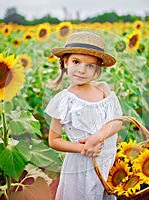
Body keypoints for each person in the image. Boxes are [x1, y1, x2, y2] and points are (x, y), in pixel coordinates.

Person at [45, 31, 123, 200]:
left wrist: (98, 136)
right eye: (76, 62)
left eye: (90, 65)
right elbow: (54, 140)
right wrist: (84, 148)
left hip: (108, 160)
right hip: (81, 164)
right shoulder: (63, 101)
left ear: (97, 68)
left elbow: (117, 122)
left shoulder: (103, 89)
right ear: (65, 62)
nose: (82, 70)